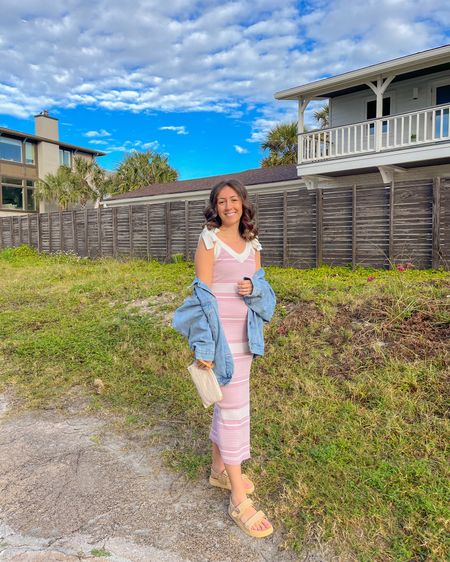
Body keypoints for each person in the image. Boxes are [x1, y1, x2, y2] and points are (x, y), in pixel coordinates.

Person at [173, 179, 276, 538]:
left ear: (243, 204)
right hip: (220, 343)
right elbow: (202, 296)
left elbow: (262, 291)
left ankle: (219, 469)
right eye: (221, 201)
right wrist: (205, 350)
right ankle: (237, 498)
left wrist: (253, 288)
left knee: (227, 406)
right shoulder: (209, 240)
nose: (227, 206)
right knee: (234, 412)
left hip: (245, 340)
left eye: (233, 200)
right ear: (214, 207)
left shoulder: (253, 244)